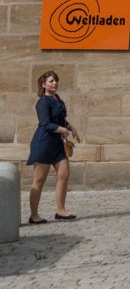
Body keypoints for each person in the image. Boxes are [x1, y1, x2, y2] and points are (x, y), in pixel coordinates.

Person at [27, 71, 80, 224]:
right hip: (43, 143)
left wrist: (70, 127)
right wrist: (64, 130)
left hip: (56, 144)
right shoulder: (43, 102)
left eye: (56, 81)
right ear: (43, 84)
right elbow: (46, 124)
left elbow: (60, 119)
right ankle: (34, 215)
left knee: (64, 174)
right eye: (51, 81)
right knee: (39, 179)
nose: (54, 83)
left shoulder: (58, 99)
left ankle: (60, 211)